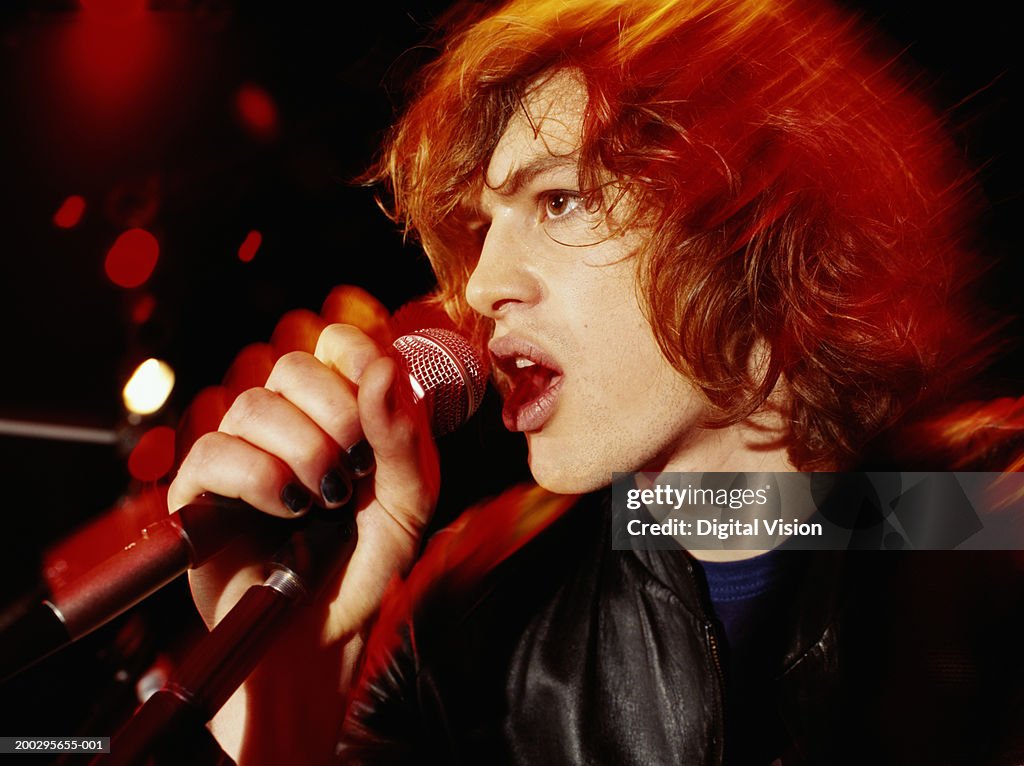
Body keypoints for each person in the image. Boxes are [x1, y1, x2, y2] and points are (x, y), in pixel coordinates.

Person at [168, 0, 1020, 763]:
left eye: (558, 200)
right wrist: (283, 714)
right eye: (479, 231)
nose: (480, 287)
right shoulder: (465, 608)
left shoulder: (990, 518)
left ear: (754, 213)